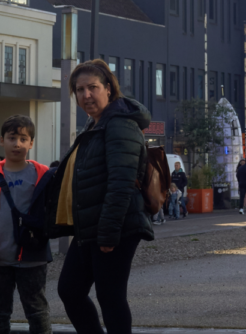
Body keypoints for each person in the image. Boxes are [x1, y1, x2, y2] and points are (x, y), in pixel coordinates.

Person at [45, 59, 154, 334]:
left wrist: (108, 232)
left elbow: (122, 182)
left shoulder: (119, 124)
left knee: (110, 297)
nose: (86, 95)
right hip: (90, 228)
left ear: (108, 89)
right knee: (70, 290)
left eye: (92, 87)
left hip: (114, 227)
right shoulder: (95, 126)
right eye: (79, 90)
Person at [0, 115, 53, 334]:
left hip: (32, 257)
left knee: (37, 312)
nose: (17, 144)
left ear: (31, 143)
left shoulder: (43, 175)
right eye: (12, 138)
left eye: (23, 139)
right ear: (1, 140)